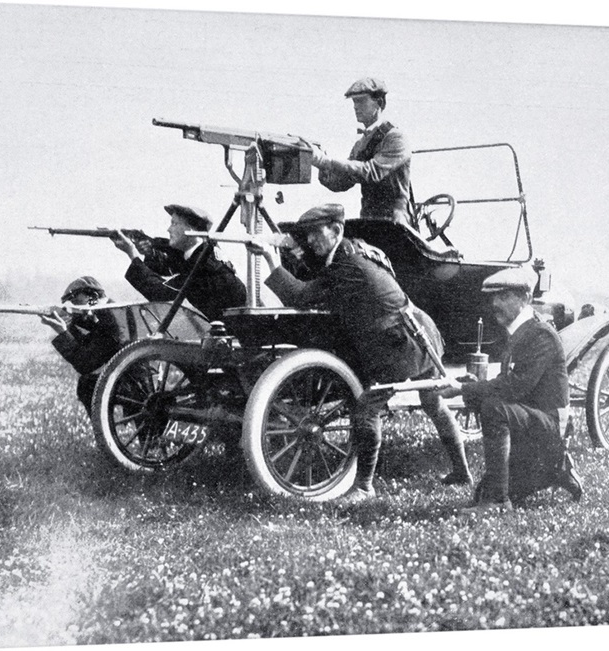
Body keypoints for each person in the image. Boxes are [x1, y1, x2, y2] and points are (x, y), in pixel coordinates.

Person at [249, 203, 472, 502]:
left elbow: (301, 296)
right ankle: (462, 471)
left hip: (398, 342)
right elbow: (323, 281)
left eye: (316, 234)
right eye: (306, 236)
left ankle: (365, 486)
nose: (310, 241)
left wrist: (268, 257)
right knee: (433, 402)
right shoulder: (356, 251)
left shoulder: (347, 266)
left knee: (367, 407)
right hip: (417, 331)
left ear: (337, 230)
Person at [438, 267, 583, 514]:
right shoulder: (519, 331)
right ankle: (556, 470)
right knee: (480, 492)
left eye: (504, 297)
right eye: (494, 297)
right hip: (531, 421)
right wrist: (472, 384)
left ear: (525, 298)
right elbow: (510, 383)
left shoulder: (539, 334)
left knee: (494, 408)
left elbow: (515, 387)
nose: (496, 303)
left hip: (549, 425)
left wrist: (464, 388)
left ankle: (499, 502)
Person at [112, 204, 247, 322]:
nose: (168, 229)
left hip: (241, 334)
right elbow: (170, 266)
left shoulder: (204, 265)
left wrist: (132, 254)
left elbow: (159, 292)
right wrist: (150, 253)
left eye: (174, 223)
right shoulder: (204, 252)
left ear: (192, 231)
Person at [309, 77, 413, 226]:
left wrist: (324, 160)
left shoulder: (395, 138)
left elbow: (371, 172)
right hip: (369, 219)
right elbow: (341, 183)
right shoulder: (361, 143)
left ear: (380, 103)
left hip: (395, 220)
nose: (355, 107)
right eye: (354, 102)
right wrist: (321, 163)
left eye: (361, 101)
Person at [41, 276, 124, 416]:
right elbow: (91, 343)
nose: (74, 307)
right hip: (135, 376)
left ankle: (102, 432)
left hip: (133, 381)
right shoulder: (113, 312)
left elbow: (85, 363)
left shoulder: (110, 317)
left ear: (93, 297)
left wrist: (63, 331)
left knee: (87, 385)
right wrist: (68, 328)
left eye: (76, 301)